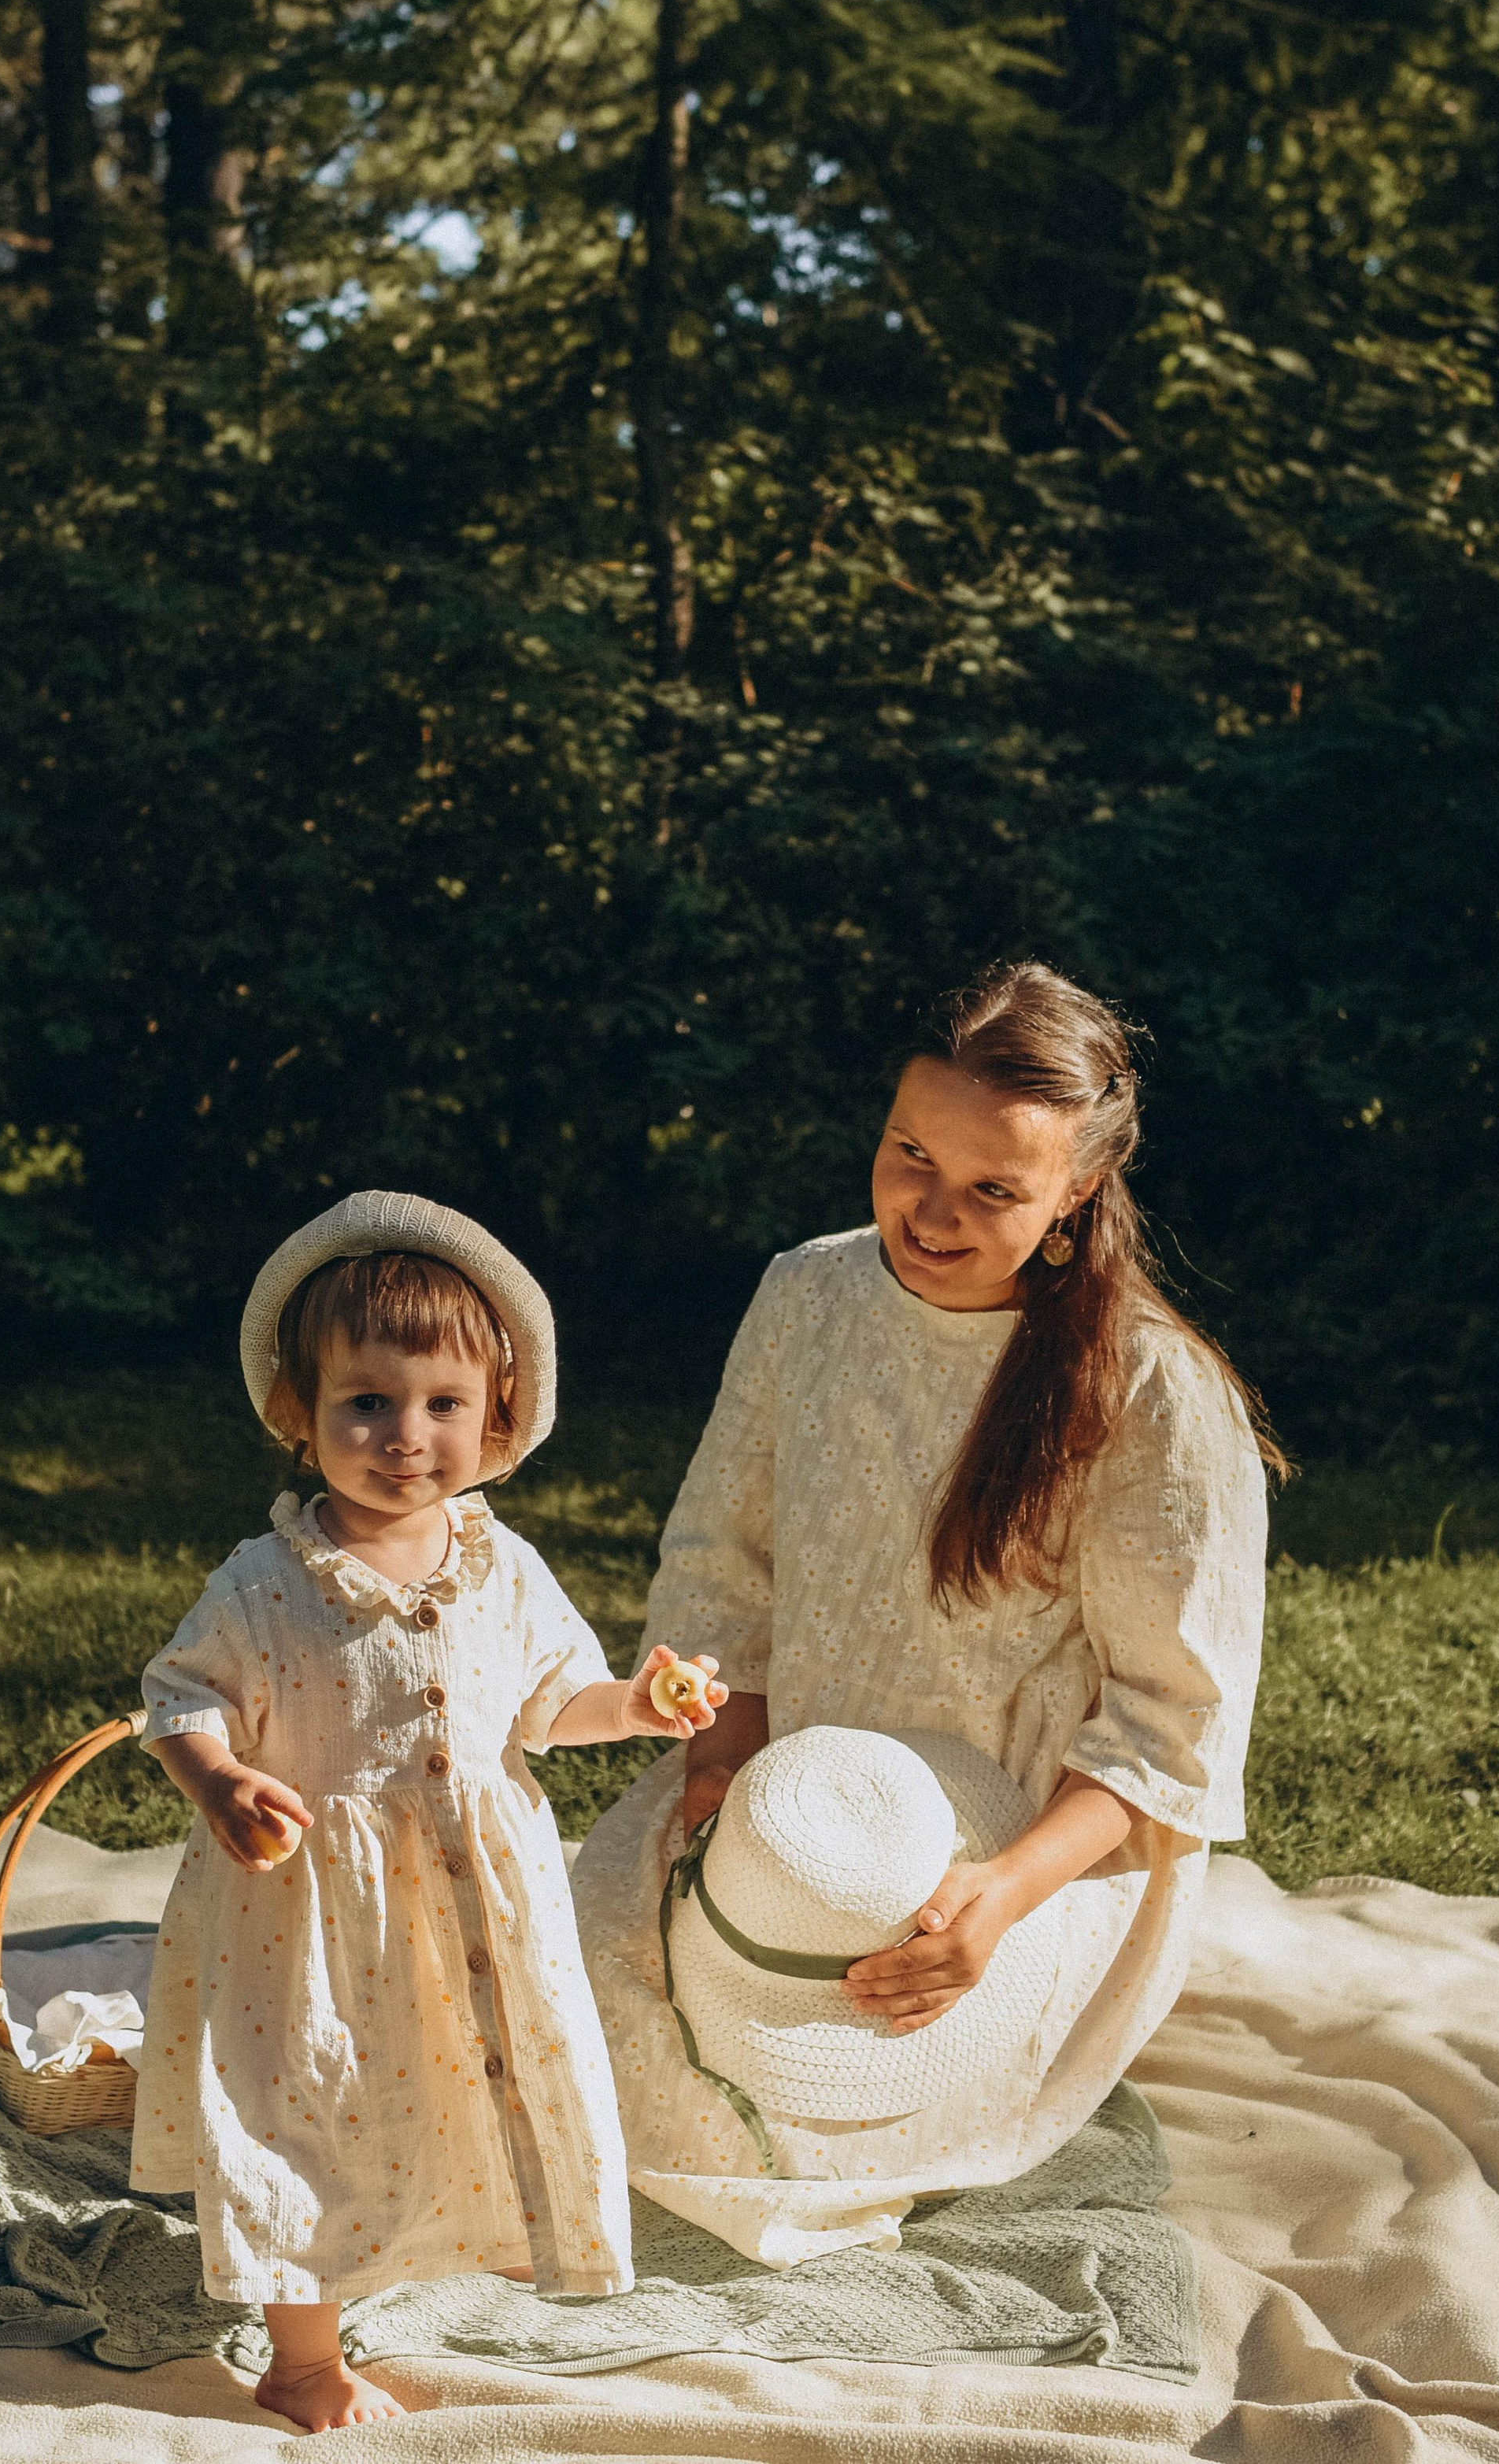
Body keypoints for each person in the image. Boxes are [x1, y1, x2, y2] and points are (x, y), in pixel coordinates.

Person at [572, 960, 1280, 2262]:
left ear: (1075, 1198)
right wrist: (726, 1762)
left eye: (995, 1190)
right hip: (800, 1815)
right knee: (561, 2026)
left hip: (1021, 1845)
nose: (932, 1212)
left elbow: (1168, 1729)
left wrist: (999, 1899)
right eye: (910, 1155)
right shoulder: (808, 1292)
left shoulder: (1151, 1392)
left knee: (792, 2133)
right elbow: (724, 1559)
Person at [131, 1190, 726, 2432]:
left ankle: (442, 2248)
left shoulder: (500, 1566)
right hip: (310, 1921)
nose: (407, 1436)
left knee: (441, 2091)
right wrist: (221, 1778)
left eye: (444, 1405)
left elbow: (555, 1700)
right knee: (308, 2110)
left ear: (496, 1419)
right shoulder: (266, 1582)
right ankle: (301, 2360)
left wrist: (642, 1703)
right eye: (368, 1403)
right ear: (302, 1418)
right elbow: (178, 1696)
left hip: (468, 1906)